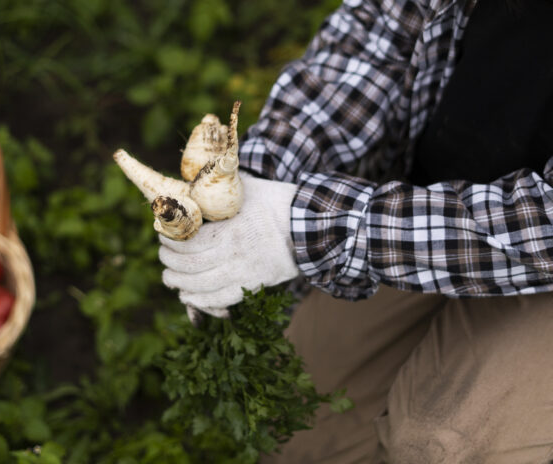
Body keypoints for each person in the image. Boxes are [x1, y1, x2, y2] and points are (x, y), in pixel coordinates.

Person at [158, 0, 553, 462]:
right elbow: (375, 35)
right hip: (423, 205)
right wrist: (253, 188)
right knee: (301, 425)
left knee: (440, 447)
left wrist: (312, 226)